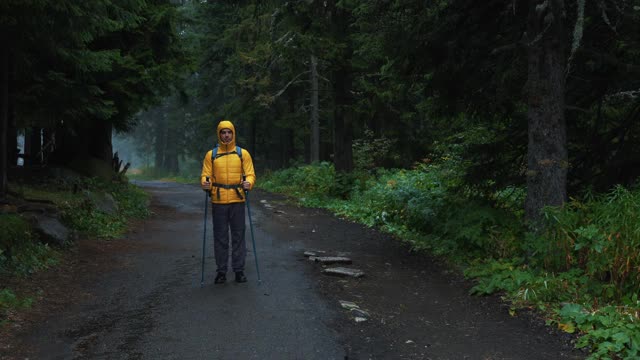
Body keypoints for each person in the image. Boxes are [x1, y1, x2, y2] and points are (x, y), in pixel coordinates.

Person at [200, 120, 256, 284]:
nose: (226, 135)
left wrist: (249, 183)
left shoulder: (242, 154)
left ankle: (239, 271)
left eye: (229, 132)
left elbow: (251, 174)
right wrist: (205, 183)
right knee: (220, 238)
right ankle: (221, 271)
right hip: (218, 201)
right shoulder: (211, 155)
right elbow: (205, 174)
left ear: (233, 134)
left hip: (238, 200)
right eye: (223, 132)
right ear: (219, 134)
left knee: (239, 236)